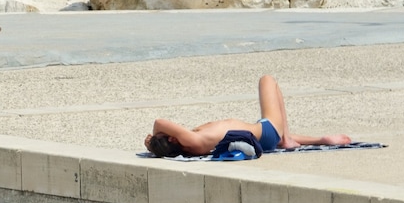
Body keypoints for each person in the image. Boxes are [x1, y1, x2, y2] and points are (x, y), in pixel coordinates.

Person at [145, 75, 352, 158]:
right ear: (172, 138)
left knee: (267, 129)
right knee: (267, 80)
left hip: (264, 136)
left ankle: (319, 139)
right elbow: (159, 122)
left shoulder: (189, 147)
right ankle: (286, 138)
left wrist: (154, 145)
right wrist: (152, 139)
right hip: (268, 130)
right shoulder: (191, 139)